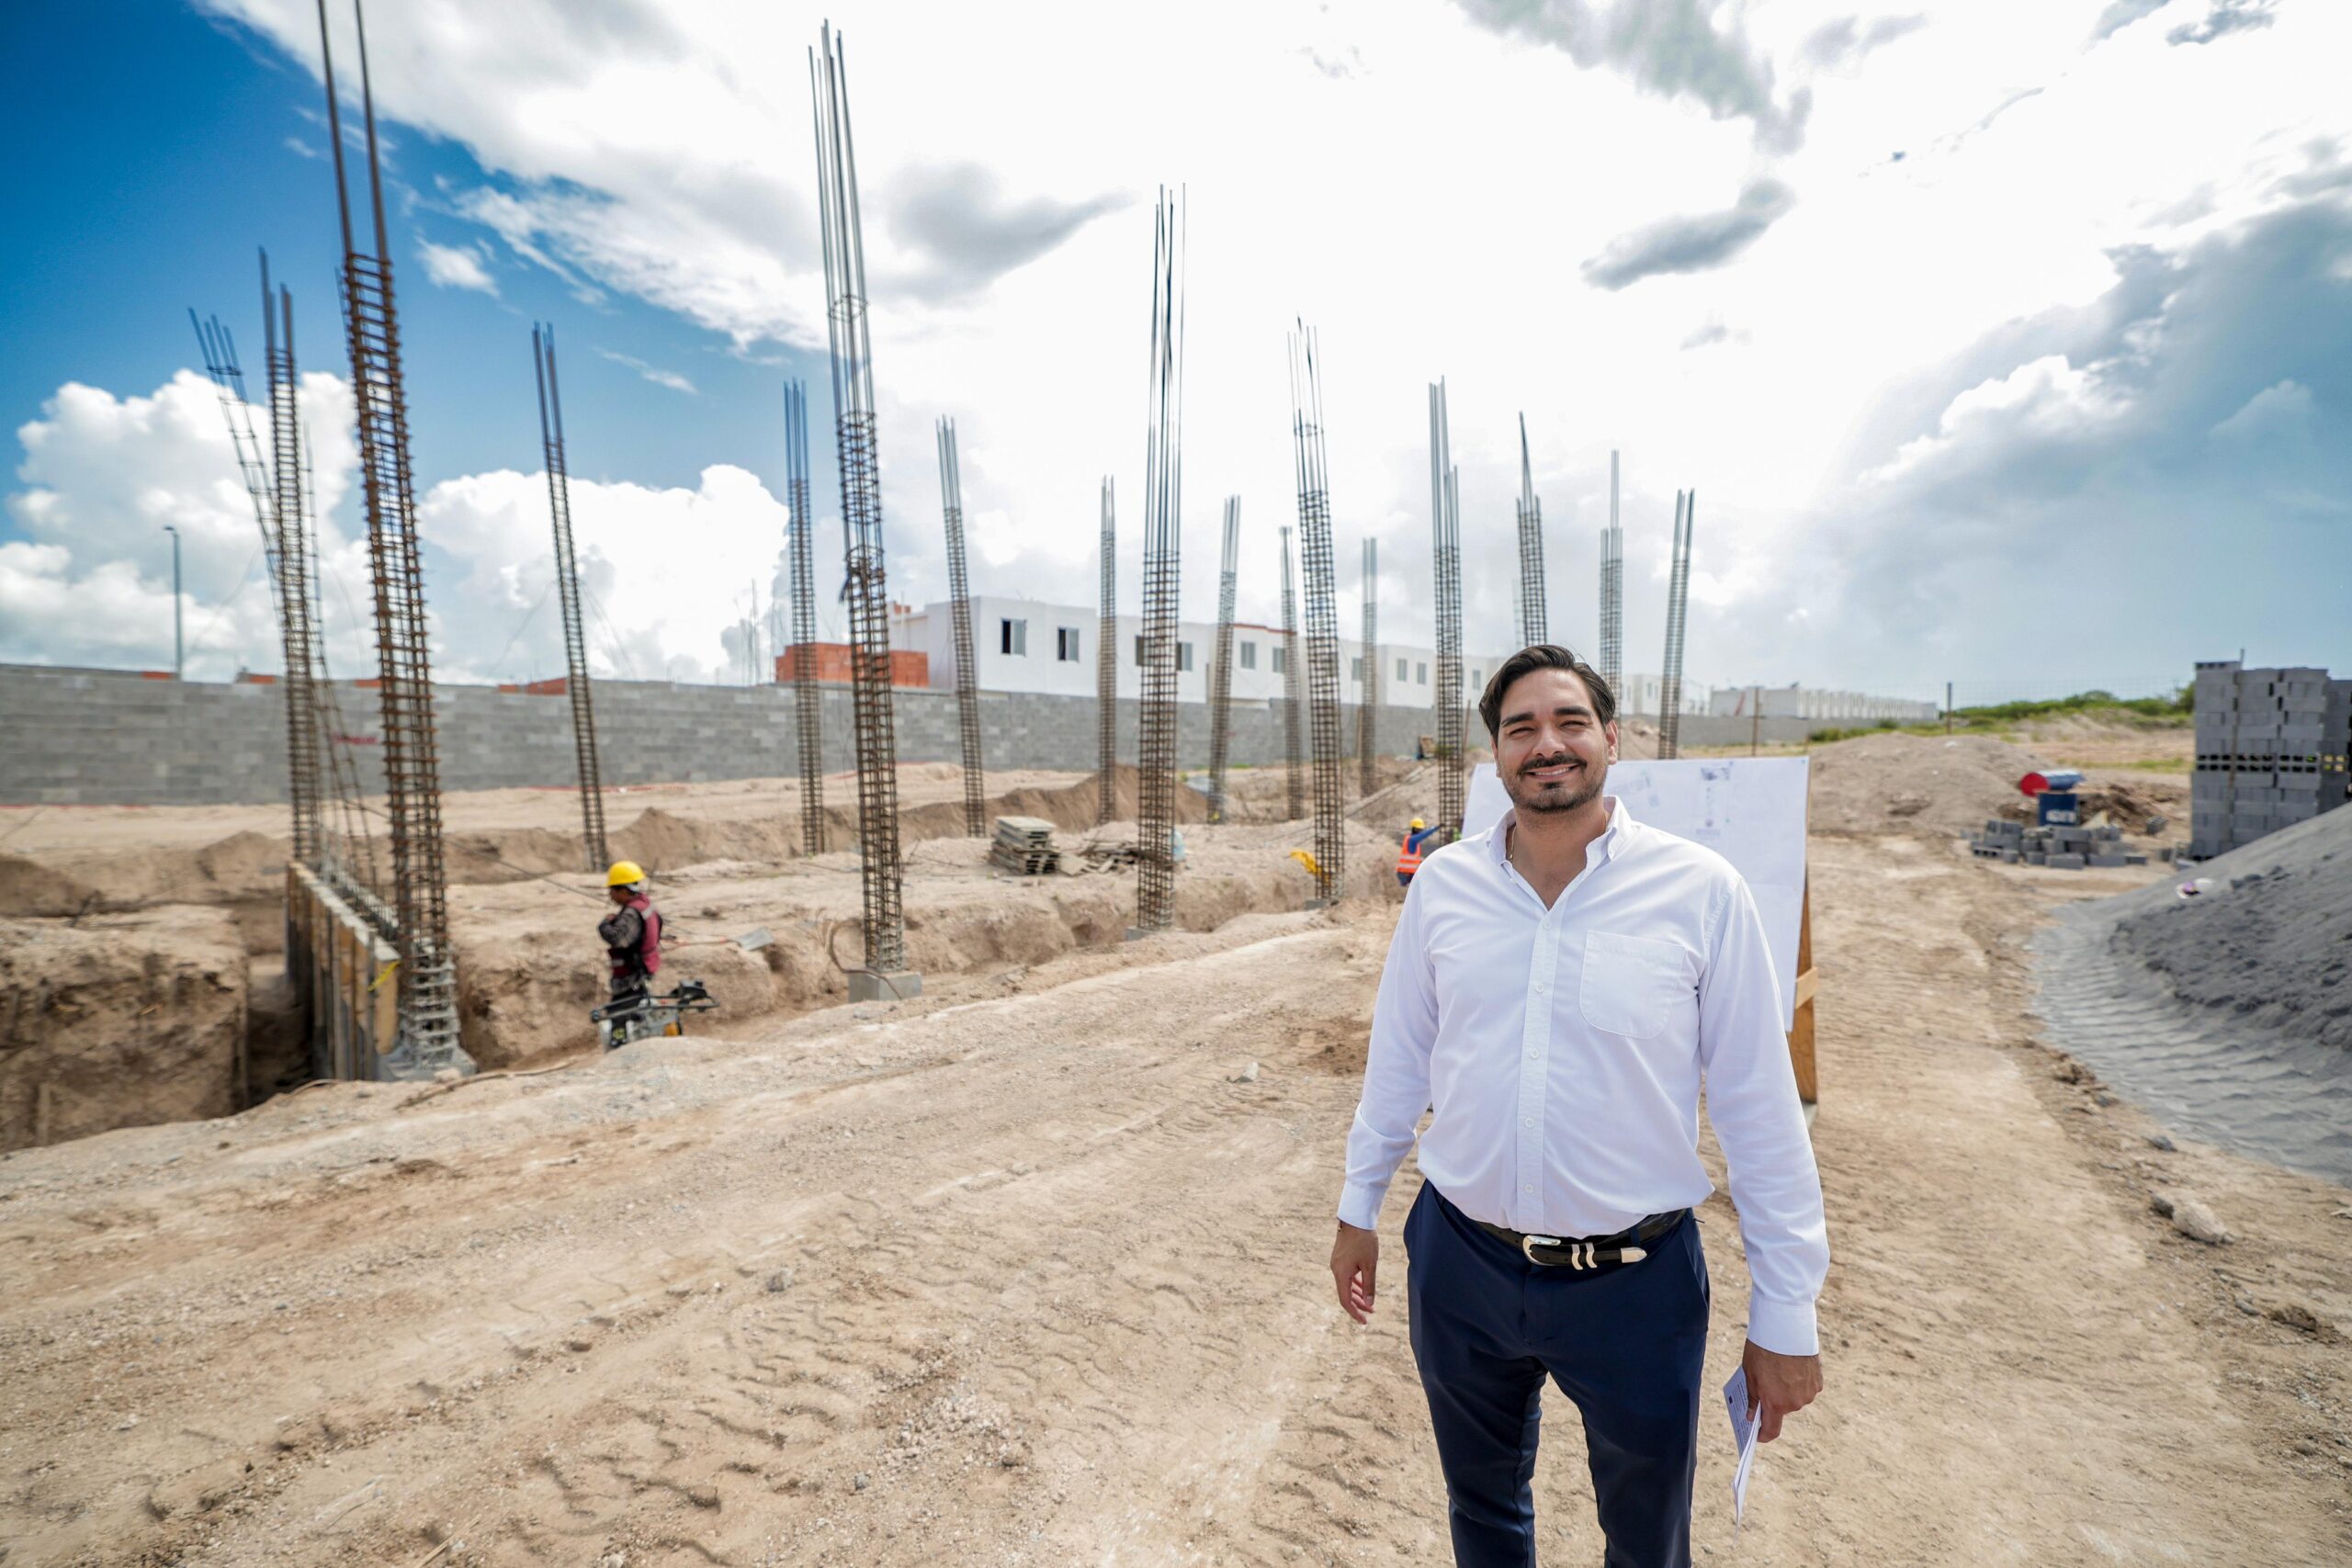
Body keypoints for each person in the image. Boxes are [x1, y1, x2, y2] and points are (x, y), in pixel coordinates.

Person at [1328, 644, 1827, 1568]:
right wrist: (1359, 1207)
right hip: (1461, 1264)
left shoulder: (1699, 893)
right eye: (1520, 728)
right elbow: (1399, 1060)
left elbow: (1759, 1109)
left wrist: (1785, 1314)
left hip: (1635, 1287)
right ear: (1495, 755)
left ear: (1609, 739)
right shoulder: (1443, 887)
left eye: (1568, 723)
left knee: (1645, 1539)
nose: (1545, 744)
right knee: (1480, 1511)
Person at [599, 860, 662, 1004]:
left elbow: (615, 938)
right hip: (645, 969)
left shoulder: (631, 913)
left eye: (611, 890)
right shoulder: (644, 903)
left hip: (631, 976)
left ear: (623, 891)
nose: (610, 895)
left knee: (620, 1017)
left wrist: (605, 924)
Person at [1396, 816, 1442, 886]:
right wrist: (1434, 828)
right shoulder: (1412, 840)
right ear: (1414, 829)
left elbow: (1415, 859)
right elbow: (1423, 835)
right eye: (1419, 829)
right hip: (1406, 874)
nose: (1420, 831)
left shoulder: (1412, 841)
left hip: (1407, 873)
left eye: (1421, 829)